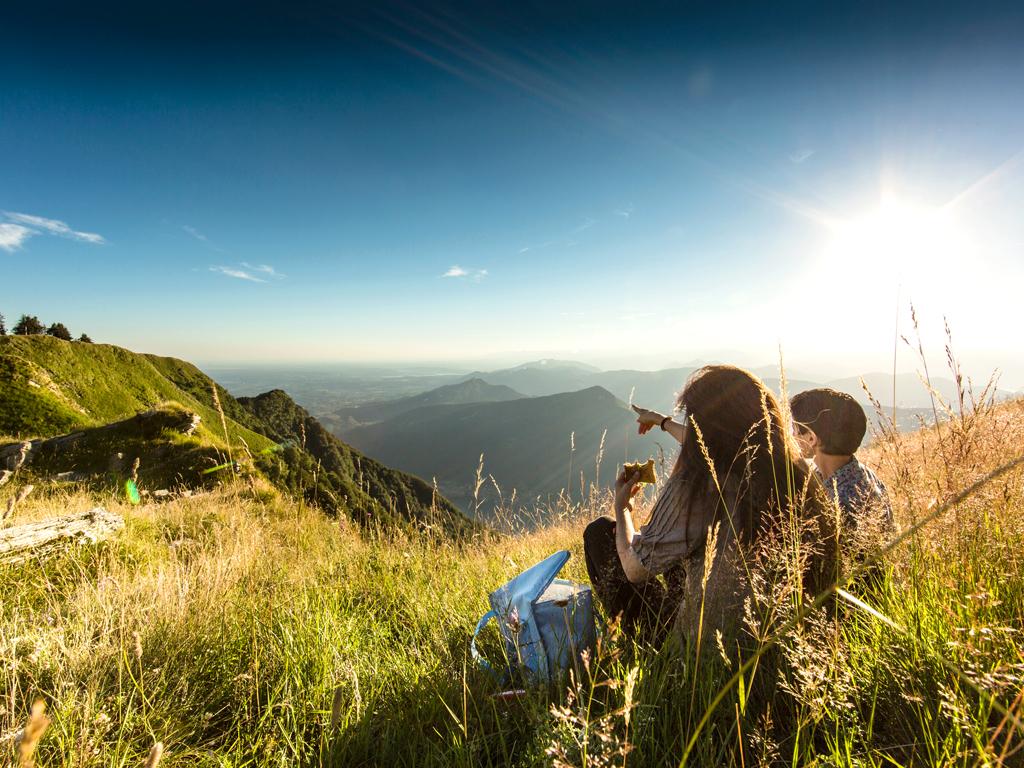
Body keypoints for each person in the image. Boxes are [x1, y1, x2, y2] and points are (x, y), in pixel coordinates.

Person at [583, 365, 837, 646]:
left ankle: (645, 644)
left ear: (705, 426)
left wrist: (623, 507)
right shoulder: (797, 472)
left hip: (706, 647)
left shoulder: (698, 485)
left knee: (600, 532)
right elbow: (710, 444)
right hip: (780, 639)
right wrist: (662, 421)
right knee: (680, 551)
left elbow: (633, 568)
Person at [789, 388, 893, 532]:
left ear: (811, 438)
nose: (792, 435)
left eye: (794, 429)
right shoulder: (864, 474)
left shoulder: (841, 504)